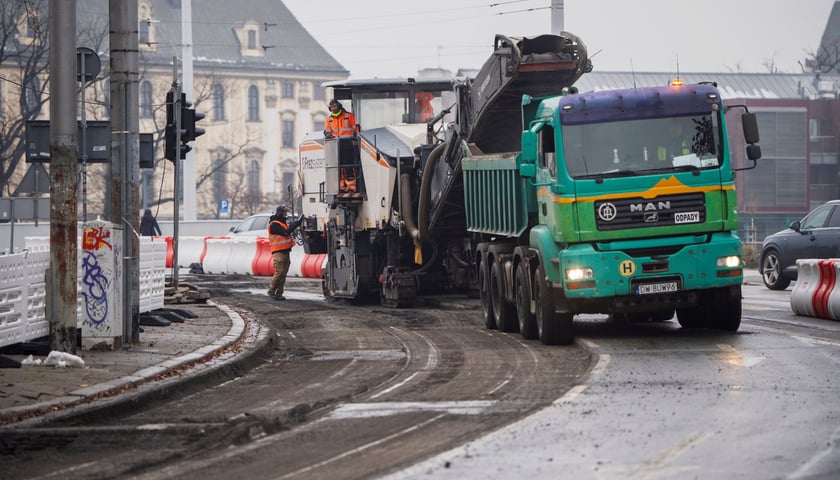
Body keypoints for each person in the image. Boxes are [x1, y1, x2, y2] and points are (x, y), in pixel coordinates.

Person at [267, 206, 302, 300]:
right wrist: (295, 224)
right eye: (285, 212)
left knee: (283, 273)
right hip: (278, 252)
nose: (286, 214)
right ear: (280, 213)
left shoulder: (282, 223)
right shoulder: (274, 224)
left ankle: (279, 293)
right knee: (280, 272)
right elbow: (286, 233)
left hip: (285, 251)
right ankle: (271, 289)